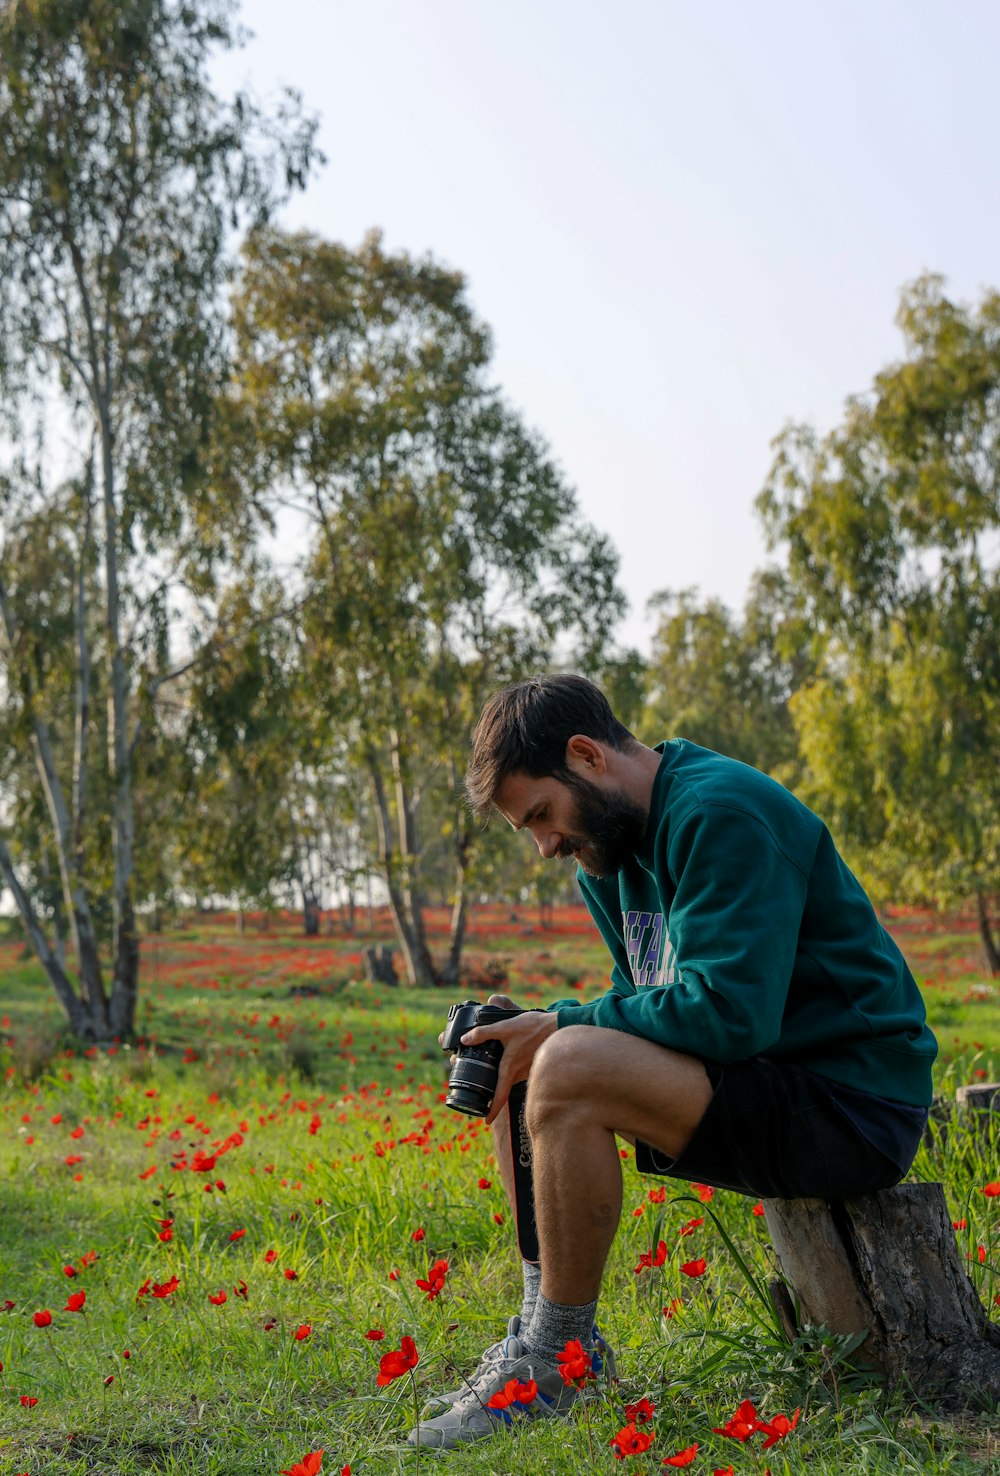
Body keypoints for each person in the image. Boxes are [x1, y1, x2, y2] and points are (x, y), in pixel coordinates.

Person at [408, 673, 936, 1450]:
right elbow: (647, 999)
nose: (546, 845)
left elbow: (727, 1012)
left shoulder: (720, 813)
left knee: (564, 1056)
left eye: (542, 816)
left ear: (586, 756)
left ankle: (560, 1361)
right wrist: (535, 1030)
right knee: (521, 1056)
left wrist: (563, 1026)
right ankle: (539, 1335)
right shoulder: (611, 854)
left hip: (853, 1104)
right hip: (768, 1079)